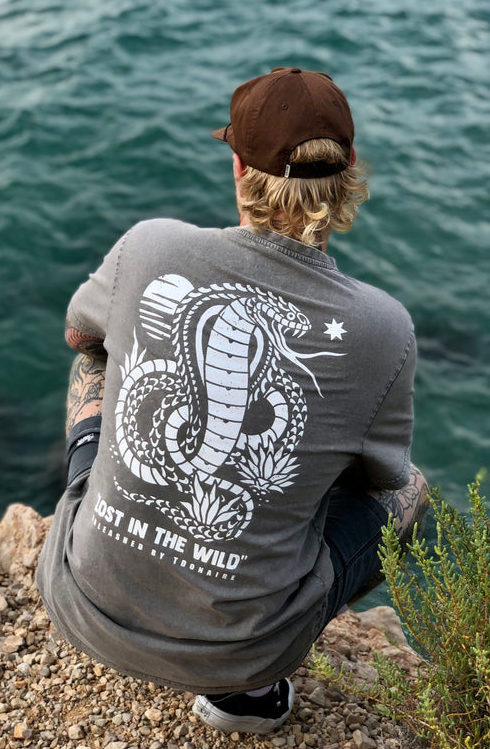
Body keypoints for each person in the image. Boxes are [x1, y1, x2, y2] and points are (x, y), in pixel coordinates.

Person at [36, 67, 429, 735]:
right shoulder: (383, 327)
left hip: (77, 602)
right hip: (250, 651)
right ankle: (245, 695)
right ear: (349, 169)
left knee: (96, 353)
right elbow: (378, 482)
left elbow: (81, 334)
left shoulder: (148, 243)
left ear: (238, 164)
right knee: (412, 489)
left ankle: (105, 524)